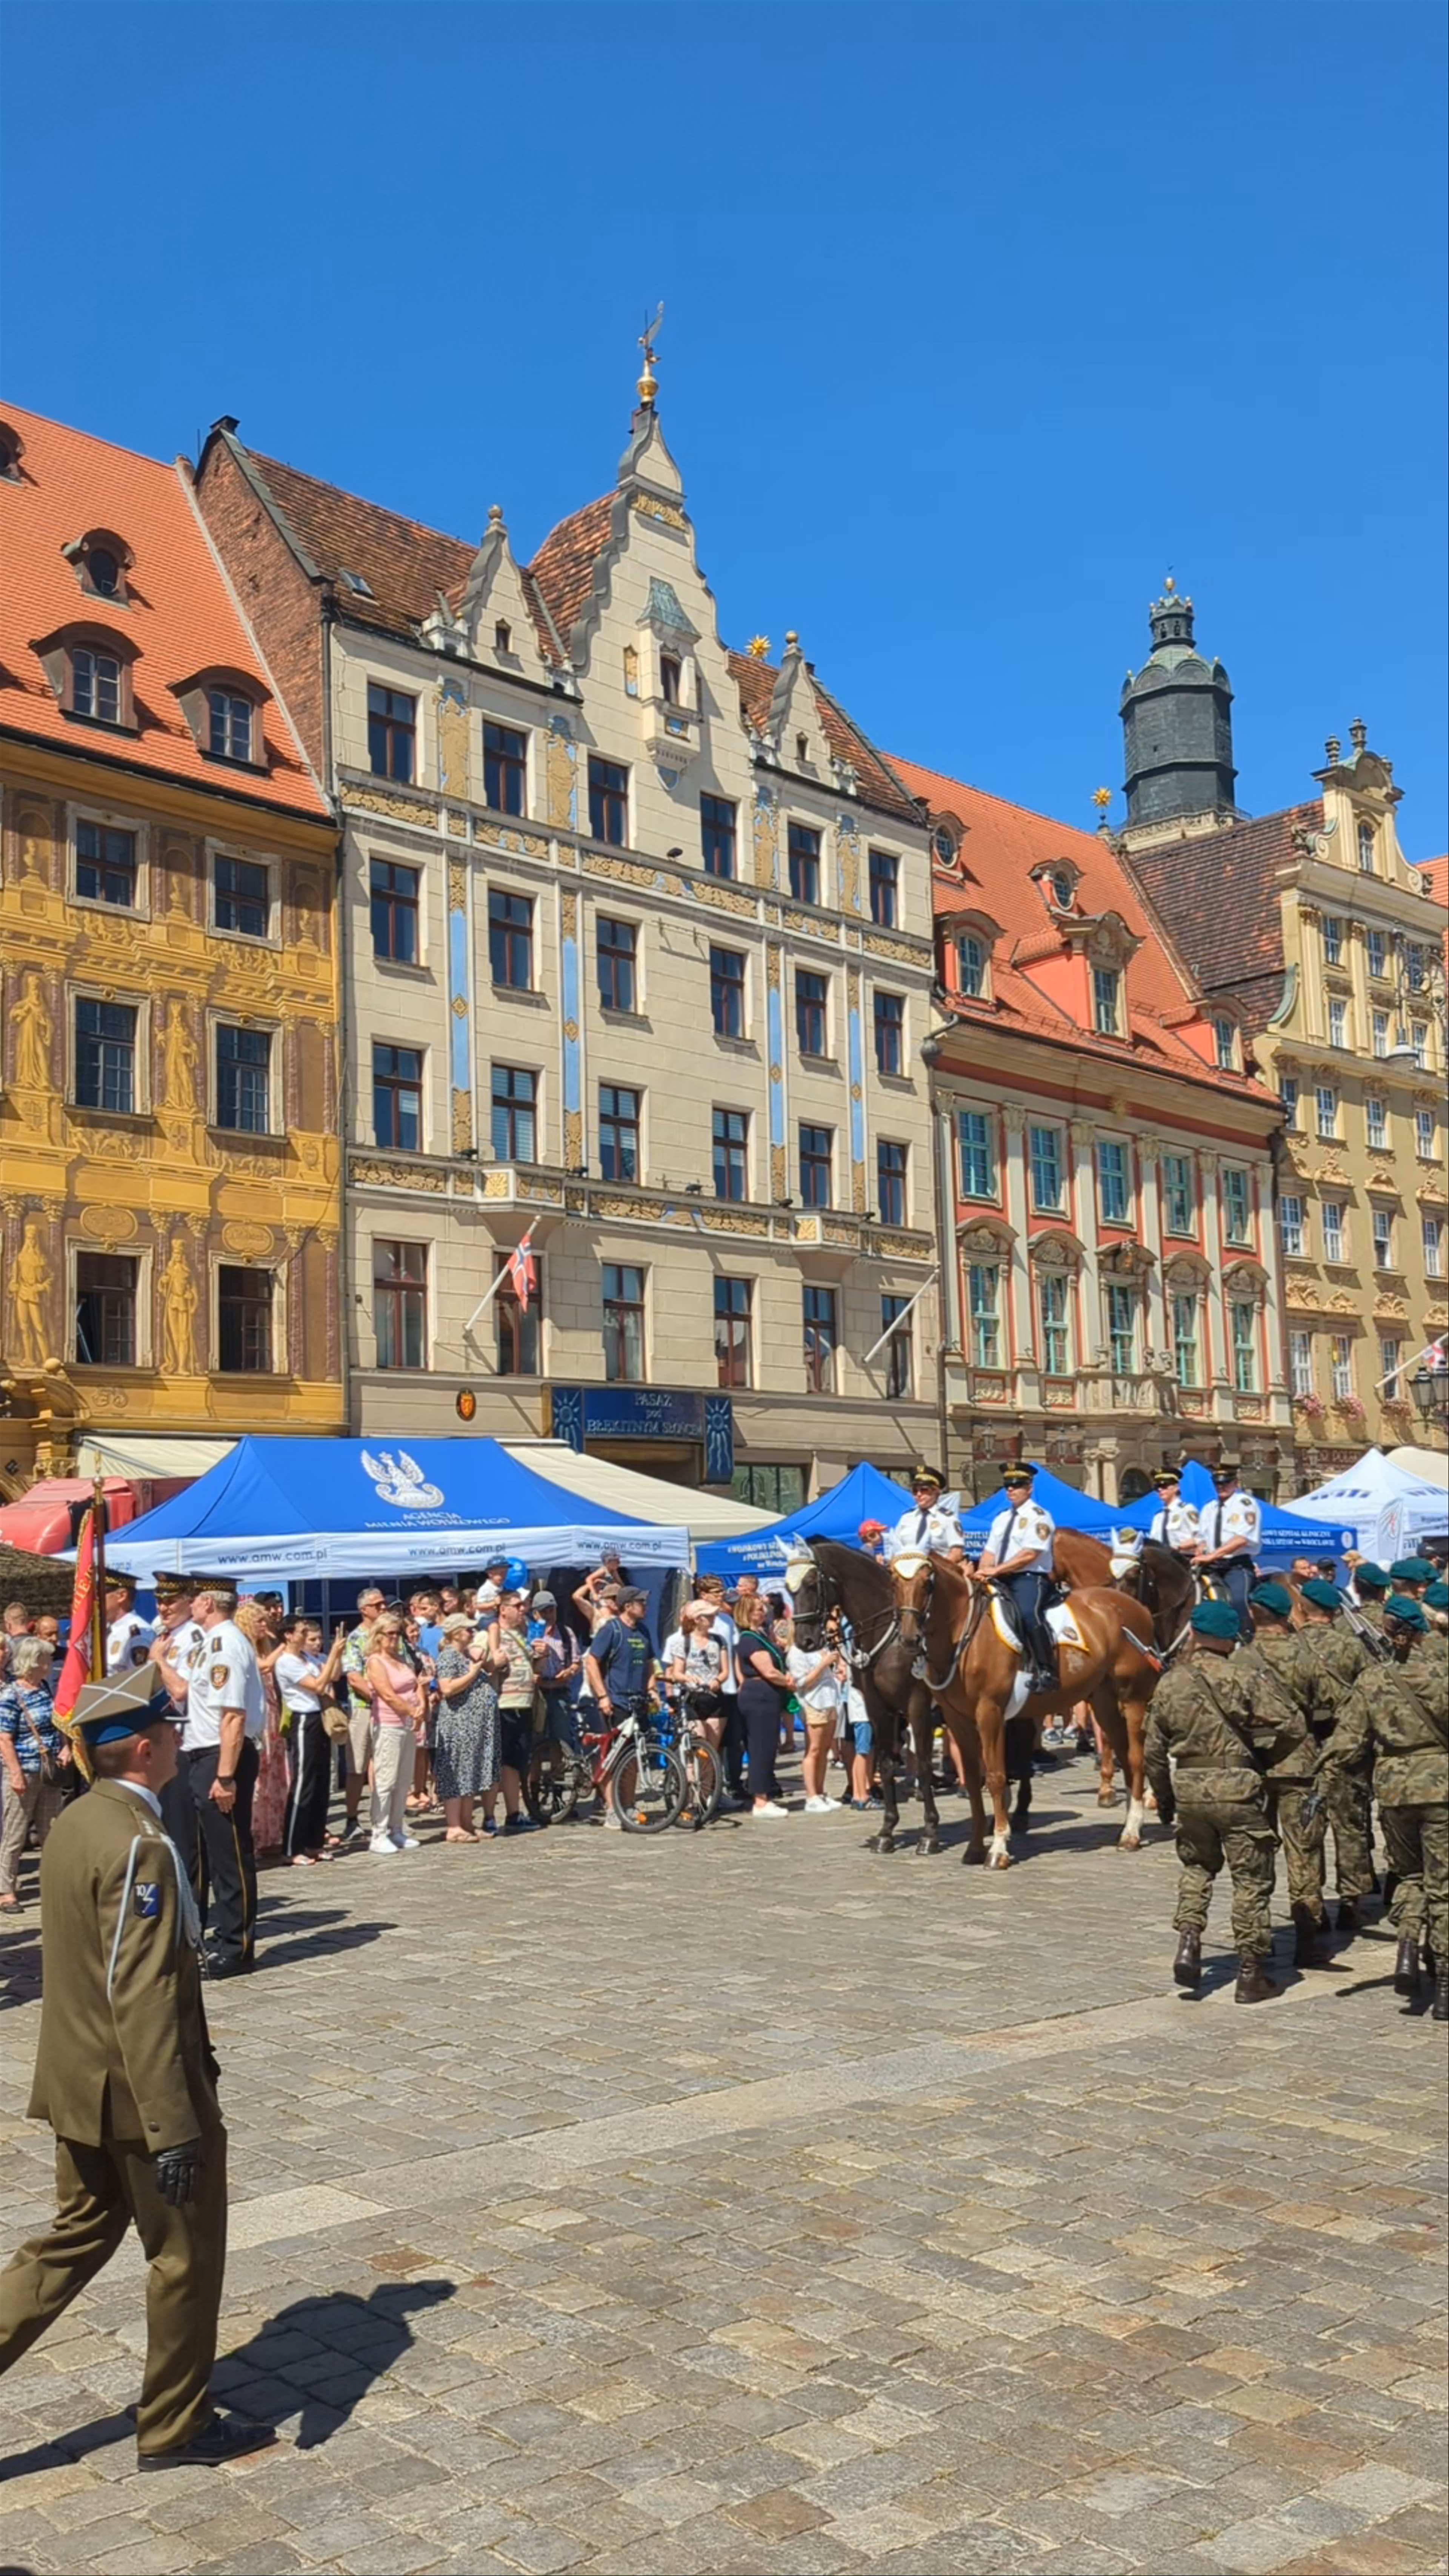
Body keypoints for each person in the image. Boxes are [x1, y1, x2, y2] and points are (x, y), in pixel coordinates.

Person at [0, 1666, 271, 2470]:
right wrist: (175, 2122)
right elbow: (144, 1990)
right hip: (142, 2091)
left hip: (79, 2078)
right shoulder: (141, 1841)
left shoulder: (81, 1821)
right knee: (184, 2254)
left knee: (71, 2241)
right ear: (149, 1748)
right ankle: (175, 2422)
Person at [1143, 1600, 1292, 2004]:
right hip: (1239, 1787)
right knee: (1251, 1880)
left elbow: (1154, 1751)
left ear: (1192, 1634)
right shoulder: (1245, 1677)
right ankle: (1250, 1972)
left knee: (1197, 1868)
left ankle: (1190, 1941)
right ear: (1231, 1639)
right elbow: (1291, 1722)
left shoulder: (1171, 1682)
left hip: (1190, 1786)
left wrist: (1165, 1795)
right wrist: (1266, 1755)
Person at [1319, 1596, 1447, 2021]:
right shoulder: (1442, 1674)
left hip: (1394, 1788)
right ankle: (1445, 1981)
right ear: (1421, 1632)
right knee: (1444, 1884)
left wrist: (1320, 1772)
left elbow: (1348, 1742)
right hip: (1441, 1786)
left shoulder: (1373, 1679)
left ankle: (1408, 1946)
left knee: (1408, 1874)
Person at [1235, 1581, 1329, 1965]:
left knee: (1255, 1855)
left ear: (1254, 1613)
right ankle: (1308, 1936)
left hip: (1252, 1766)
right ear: (1285, 1614)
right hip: (1301, 1765)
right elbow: (1328, 1706)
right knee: (1304, 1850)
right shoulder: (1306, 1656)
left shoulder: (1240, 1659)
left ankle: (1260, 1938)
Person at [182, 1586, 266, 1978]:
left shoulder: (226, 1643)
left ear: (209, 1603)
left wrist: (226, 1775)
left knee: (231, 1856)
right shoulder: (210, 1641)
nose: (189, 1604)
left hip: (222, 1754)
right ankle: (225, 1935)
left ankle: (238, 1947)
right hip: (205, 1753)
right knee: (214, 1856)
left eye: (194, 1599)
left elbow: (233, 1714)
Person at [1294, 1576, 1375, 1934]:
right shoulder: (1352, 1647)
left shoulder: (1289, 1648)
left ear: (1302, 1609)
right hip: (1345, 1745)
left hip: (1302, 1747)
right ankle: (1351, 1901)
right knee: (1351, 1824)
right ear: (1333, 1611)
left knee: (1308, 1829)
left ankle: (1312, 1905)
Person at [0, 1635, 70, 1909]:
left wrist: (65, 1747)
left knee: (50, 1830)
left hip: (48, 1772)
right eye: (47, 1658)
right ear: (35, 1662)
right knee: (15, 1833)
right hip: (25, 1772)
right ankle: (6, 1890)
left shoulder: (43, 1688)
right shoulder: (11, 1695)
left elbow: (56, 1723)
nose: (51, 1662)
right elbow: (4, 1738)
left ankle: (53, 1884)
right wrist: (15, 1773)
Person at [978, 1463, 1057, 1695]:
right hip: (1000, 1578)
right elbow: (989, 1552)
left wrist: (997, 1570)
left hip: (1030, 1578)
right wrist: (983, 1571)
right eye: (1008, 1486)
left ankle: (1046, 1670)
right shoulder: (1001, 1518)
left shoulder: (1039, 1517)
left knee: (1027, 1614)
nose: (1011, 1491)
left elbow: (1031, 1554)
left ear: (1029, 1489)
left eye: (1017, 1486)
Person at [275, 1614, 344, 1866]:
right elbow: (316, 1685)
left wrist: (336, 1653)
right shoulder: (286, 1662)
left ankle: (315, 1842)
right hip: (303, 1719)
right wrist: (332, 1658)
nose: (306, 1637)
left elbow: (333, 1677)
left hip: (321, 1718)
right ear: (289, 1635)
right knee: (304, 1782)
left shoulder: (310, 1657)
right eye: (302, 1632)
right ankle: (292, 1846)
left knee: (321, 1782)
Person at [363, 1612, 426, 1854]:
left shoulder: (401, 1658)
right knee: (386, 1780)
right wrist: (412, 1711)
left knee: (403, 1781)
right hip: (388, 1724)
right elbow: (387, 1694)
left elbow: (416, 1683)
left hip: (408, 1725)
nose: (394, 1638)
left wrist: (420, 1709)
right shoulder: (376, 1662)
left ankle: (396, 1828)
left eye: (397, 1634)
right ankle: (378, 1832)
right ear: (378, 1637)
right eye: (389, 1634)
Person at [432, 1610, 498, 1842]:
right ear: (455, 1633)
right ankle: (454, 1826)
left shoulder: (465, 1655)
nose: (472, 1633)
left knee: (471, 1773)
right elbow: (447, 1688)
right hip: (459, 1725)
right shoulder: (449, 1656)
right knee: (457, 1774)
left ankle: (467, 1823)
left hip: (475, 1726)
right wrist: (472, 1673)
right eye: (468, 1630)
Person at [484, 1592, 538, 1835]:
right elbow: (485, 1664)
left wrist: (541, 1658)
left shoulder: (521, 1635)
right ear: (503, 1609)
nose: (523, 1609)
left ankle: (514, 1814)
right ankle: (488, 1817)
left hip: (524, 1704)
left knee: (515, 1763)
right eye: (517, 1605)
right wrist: (494, 1659)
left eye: (524, 1605)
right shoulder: (491, 1633)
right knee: (496, 1762)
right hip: (503, 1705)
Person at [734, 1607, 793, 1816]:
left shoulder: (762, 1635)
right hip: (759, 1696)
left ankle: (764, 1793)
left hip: (768, 1697)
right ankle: (760, 1800)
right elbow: (768, 1670)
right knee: (761, 1747)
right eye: (758, 1609)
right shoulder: (749, 1639)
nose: (763, 1612)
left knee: (768, 1746)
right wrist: (788, 1682)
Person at [340, 1585, 386, 1841]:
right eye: (377, 1605)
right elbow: (354, 1677)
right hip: (363, 1708)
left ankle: (383, 1817)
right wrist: (382, 1695)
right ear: (364, 1610)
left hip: (388, 1710)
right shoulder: (356, 1638)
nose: (383, 1608)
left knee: (384, 1764)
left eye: (383, 1604)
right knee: (357, 1765)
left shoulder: (390, 1636)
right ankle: (351, 1818)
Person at [1196, 1463, 1262, 1639]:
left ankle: (1245, 1639)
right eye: (1217, 1484)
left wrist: (1212, 1555)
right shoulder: (1209, 1508)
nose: (1221, 1487)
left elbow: (1242, 1539)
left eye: (1226, 1483)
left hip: (1236, 1565)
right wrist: (1200, 1551)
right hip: (1211, 1566)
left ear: (1236, 1483)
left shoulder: (1246, 1504)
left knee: (1238, 1600)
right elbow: (1202, 1538)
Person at [784, 1619, 844, 1812]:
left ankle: (820, 1792)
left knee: (825, 1749)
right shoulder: (796, 1652)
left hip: (829, 1699)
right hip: (813, 1701)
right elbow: (802, 1682)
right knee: (814, 1749)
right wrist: (823, 1665)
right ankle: (811, 1795)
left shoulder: (819, 1648)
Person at [886, 1466, 963, 1561]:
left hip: (936, 1571)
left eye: (924, 1490)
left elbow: (957, 1552)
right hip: (906, 1570)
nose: (919, 1495)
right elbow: (894, 1548)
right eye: (915, 1491)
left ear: (936, 1492)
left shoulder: (948, 1519)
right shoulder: (906, 1518)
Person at [105, 1572, 156, 1675]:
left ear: (122, 1596)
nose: (95, 1599)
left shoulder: (138, 1635)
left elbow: (138, 1680)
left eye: (100, 1593)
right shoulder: (106, 1629)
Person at [1145, 1466, 1200, 1556]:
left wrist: (1178, 1548)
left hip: (1183, 1559)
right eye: (1157, 1487)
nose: (1160, 1490)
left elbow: (1200, 1538)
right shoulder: (1158, 1516)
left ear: (1176, 1488)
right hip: (1162, 1561)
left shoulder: (1187, 1510)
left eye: (1164, 1486)